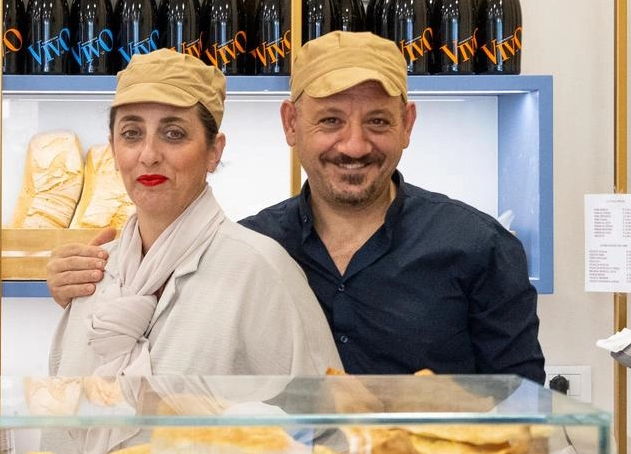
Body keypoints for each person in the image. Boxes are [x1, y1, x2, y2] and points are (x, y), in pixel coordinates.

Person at [47, 31, 546, 385]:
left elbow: (527, 408)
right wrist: (83, 280)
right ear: (290, 124)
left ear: (408, 123)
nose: (353, 145)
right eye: (329, 120)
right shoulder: (254, 247)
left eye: (377, 120)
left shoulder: (479, 247)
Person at [49, 48, 343, 382]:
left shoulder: (260, 270)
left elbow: (322, 418)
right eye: (132, 133)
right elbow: (63, 415)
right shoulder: (95, 275)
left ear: (213, 152)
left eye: (173, 133)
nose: (148, 155)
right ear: (113, 150)